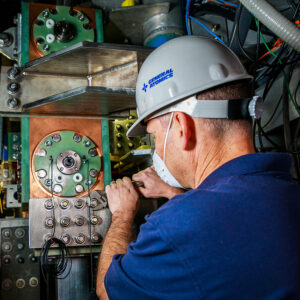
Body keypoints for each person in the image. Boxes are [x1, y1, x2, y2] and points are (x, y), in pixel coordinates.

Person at [96, 36, 300, 300]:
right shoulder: (287, 190)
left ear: (181, 127)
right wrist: (173, 193)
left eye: (155, 136)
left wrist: (122, 214)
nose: (157, 149)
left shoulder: (176, 227)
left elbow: (106, 291)